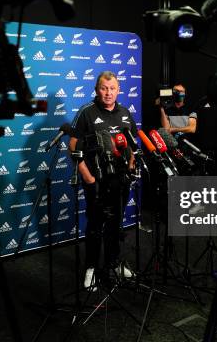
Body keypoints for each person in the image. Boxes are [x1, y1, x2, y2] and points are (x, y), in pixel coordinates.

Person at [70, 71, 137, 291]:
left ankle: (113, 263)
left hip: (120, 180)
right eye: (104, 88)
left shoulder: (126, 113)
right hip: (96, 180)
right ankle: (91, 267)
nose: (108, 93)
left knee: (116, 224)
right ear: (97, 89)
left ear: (118, 90)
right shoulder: (86, 112)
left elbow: (131, 143)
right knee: (95, 225)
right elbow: (72, 145)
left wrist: (130, 165)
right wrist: (87, 176)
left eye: (112, 88)